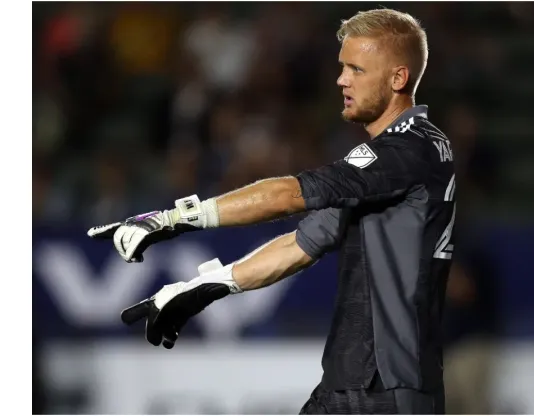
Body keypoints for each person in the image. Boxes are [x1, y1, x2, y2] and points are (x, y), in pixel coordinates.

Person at [89, 9, 454, 415]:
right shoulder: (389, 166)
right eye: (342, 67)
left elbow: (287, 195)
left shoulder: (409, 149)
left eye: (356, 69)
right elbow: (299, 245)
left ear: (398, 78)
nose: (341, 80)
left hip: (386, 389)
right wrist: (207, 286)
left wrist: (172, 220)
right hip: (350, 384)